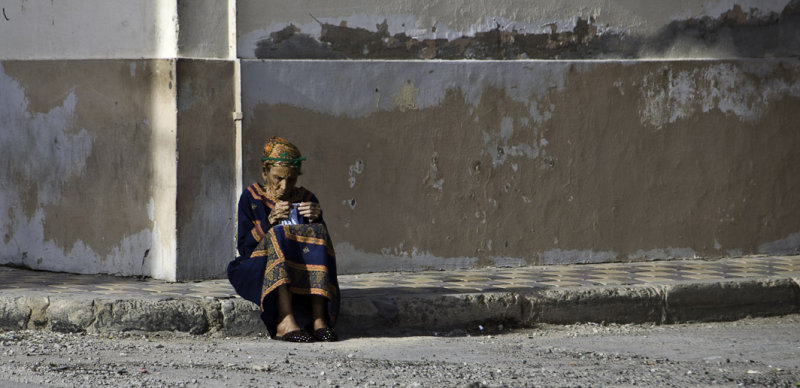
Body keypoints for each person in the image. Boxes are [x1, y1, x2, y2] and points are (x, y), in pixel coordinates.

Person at [227, 137, 339, 342]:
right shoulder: (251, 197)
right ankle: (285, 321)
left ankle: (319, 319)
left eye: (292, 179)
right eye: (278, 178)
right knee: (278, 235)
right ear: (264, 172)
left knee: (318, 233)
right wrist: (268, 221)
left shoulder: (307, 198)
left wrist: (317, 219)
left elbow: (319, 248)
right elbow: (245, 246)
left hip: (300, 267)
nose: (285, 186)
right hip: (257, 265)